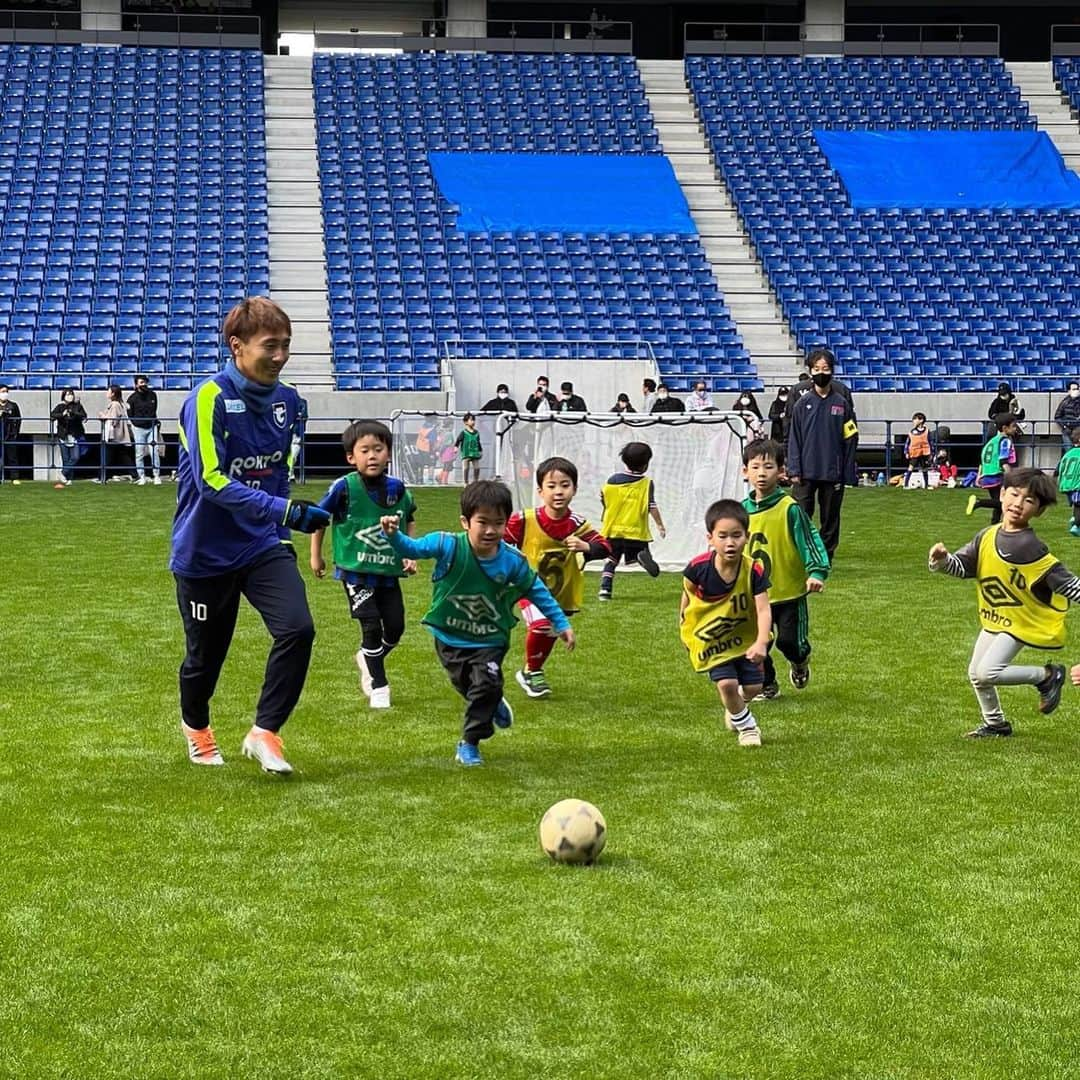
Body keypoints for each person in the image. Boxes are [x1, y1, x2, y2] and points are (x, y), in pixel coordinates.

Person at [170, 297, 330, 775]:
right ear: (237, 346)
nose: (280, 355)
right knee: (206, 658)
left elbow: (279, 473)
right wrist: (285, 510)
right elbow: (212, 481)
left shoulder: (290, 402)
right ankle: (195, 725)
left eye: (286, 345)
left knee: (298, 628)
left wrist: (281, 531)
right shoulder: (207, 399)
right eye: (270, 345)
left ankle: (266, 732)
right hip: (204, 552)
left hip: (261, 544)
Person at [379, 480, 575, 767]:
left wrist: (561, 623)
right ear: (465, 521)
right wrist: (393, 536)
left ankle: (469, 743)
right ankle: (492, 703)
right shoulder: (446, 544)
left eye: (498, 523)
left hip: (490, 639)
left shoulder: (513, 561)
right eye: (482, 522)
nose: (491, 530)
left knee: (484, 685)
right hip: (449, 636)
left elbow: (536, 590)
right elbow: (413, 548)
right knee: (472, 689)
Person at [929, 468, 1077, 737]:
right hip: (996, 616)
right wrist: (942, 561)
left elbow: (1064, 581)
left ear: (1039, 511)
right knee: (976, 673)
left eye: (1030, 500)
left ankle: (1046, 676)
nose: (1018, 504)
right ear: (1001, 493)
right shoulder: (987, 535)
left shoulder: (1030, 547)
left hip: (1022, 620)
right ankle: (996, 725)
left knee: (987, 672)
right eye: (1014, 494)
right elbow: (963, 568)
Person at [310, 419, 416, 710]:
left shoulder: (398, 489)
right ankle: (379, 686)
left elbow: (409, 518)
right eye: (365, 450)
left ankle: (368, 658)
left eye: (378, 449)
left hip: (387, 571)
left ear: (389, 453)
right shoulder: (343, 487)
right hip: (355, 572)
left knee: (395, 628)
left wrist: (410, 553)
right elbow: (319, 518)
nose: (372, 456)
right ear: (350, 457)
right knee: (370, 626)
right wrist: (315, 555)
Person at [504, 456, 609, 698]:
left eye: (565, 485)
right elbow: (502, 542)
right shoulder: (524, 519)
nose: (558, 491)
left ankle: (533, 670)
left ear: (575, 489)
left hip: (562, 591)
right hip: (529, 588)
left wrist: (586, 547)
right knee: (541, 626)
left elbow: (604, 546)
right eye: (551, 486)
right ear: (540, 491)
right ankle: (532, 671)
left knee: (550, 632)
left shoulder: (577, 524)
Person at [680, 498, 771, 748]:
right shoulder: (697, 569)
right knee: (726, 683)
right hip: (713, 639)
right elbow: (687, 600)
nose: (730, 542)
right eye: (722, 536)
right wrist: (685, 632)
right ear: (710, 538)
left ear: (747, 536)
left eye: (736, 535)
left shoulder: (753, 570)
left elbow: (763, 608)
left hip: (745, 639)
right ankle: (748, 727)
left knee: (752, 687)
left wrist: (762, 641)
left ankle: (736, 707)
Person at [742, 438, 829, 700]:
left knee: (789, 642)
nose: (761, 473)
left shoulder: (789, 508)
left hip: (789, 591)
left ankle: (799, 661)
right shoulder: (740, 512)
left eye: (768, 467)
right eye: (755, 467)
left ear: (781, 472)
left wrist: (816, 571)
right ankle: (767, 683)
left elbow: (810, 540)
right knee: (758, 644)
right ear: (745, 471)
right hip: (756, 596)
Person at [786, 348, 858, 561]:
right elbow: (794, 439)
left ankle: (826, 555)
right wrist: (794, 469)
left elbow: (851, 438)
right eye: (816, 368)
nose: (821, 372)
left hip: (832, 472)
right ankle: (801, 552)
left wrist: (846, 470)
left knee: (830, 517)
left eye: (825, 368)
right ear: (810, 371)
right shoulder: (801, 403)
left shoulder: (842, 404)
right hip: (805, 472)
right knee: (800, 515)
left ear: (832, 371)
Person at [599, 441, 667, 601]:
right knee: (642, 551)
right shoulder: (646, 483)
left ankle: (605, 590)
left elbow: (603, 497)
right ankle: (641, 557)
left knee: (612, 559)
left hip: (613, 529)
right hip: (635, 531)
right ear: (645, 465)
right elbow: (651, 506)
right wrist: (660, 524)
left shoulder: (611, 480)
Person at [966, 412, 1020, 524]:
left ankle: (995, 524)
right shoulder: (1005, 441)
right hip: (998, 475)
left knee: (998, 502)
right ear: (1005, 428)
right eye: (1014, 426)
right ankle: (979, 502)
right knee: (1005, 502)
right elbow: (1003, 461)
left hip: (988, 475)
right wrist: (1011, 476)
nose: (1015, 428)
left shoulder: (991, 442)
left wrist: (980, 475)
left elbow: (982, 460)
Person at [128, 373, 161, 486]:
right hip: (139, 428)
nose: (144, 384)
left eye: (145, 382)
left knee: (154, 451)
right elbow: (130, 415)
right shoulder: (132, 399)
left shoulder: (153, 395)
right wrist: (138, 423)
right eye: (141, 382)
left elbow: (154, 410)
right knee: (139, 453)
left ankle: (156, 475)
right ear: (136, 385)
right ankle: (141, 476)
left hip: (151, 426)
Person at [50, 388, 87, 488]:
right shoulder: (60, 406)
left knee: (75, 457)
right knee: (66, 459)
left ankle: (63, 473)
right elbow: (52, 415)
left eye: (71, 394)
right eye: (67, 394)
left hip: (75, 435)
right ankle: (68, 480)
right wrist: (62, 414)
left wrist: (73, 412)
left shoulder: (78, 406)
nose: (69, 396)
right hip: (63, 436)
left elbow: (83, 416)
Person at [98, 384, 134, 482]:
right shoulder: (117, 404)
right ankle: (134, 474)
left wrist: (103, 416)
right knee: (123, 455)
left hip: (113, 435)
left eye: (108, 391)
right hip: (117, 435)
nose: (107, 393)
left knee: (107, 456)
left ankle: (102, 477)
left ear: (113, 393)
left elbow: (113, 420)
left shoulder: (115, 405)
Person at [1058, 427, 1080, 537]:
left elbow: (1059, 469)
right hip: (1077, 484)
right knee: (1079, 504)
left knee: (1077, 504)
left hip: (1066, 485)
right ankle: (1076, 525)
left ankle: (1074, 518)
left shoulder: (1068, 453)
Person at [904, 412, 933, 490]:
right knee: (911, 467)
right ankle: (906, 484)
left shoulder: (927, 431)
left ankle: (926, 485)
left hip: (924, 452)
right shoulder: (912, 432)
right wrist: (906, 452)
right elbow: (908, 442)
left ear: (921, 420)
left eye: (915, 419)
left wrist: (931, 453)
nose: (913, 421)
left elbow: (930, 442)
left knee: (924, 468)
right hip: (914, 452)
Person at [0, 383, 22, 483]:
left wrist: (15, 432)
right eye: (2, 392)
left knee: (12, 457)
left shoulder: (13, 406)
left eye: (6, 392)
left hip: (10, 435)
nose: (5, 394)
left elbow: (18, 419)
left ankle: (14, 477)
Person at [455, 412, 483, 484]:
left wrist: (480, 451)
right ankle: (465, 482)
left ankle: (475, 481)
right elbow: (458, 440)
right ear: (465, 422)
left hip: (475, 453)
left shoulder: (476, 432)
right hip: (466, 453)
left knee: (477, 468)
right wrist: (456, 447)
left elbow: (478, 442)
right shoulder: (464, 432)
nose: (473, 422)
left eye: (474, 420)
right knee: (466, 468)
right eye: (471, 420)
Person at [1054, 382, 1080, 454]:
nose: (1076, 391)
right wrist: (1065, 426)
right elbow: (1057, 416)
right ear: (1069, 391)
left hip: (1079, 432)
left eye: (1077, 389)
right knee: (1069, 452)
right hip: (1068, 432)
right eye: (1074, 389)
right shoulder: (1064, 402)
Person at [288, 394, 308, 483]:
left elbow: (303, 415)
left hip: (296, 432)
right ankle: (290, 476)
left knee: (293, 456)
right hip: (285, 433)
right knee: (287, 456)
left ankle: (290, 475)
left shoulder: (302, 402)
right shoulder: (284, 401)